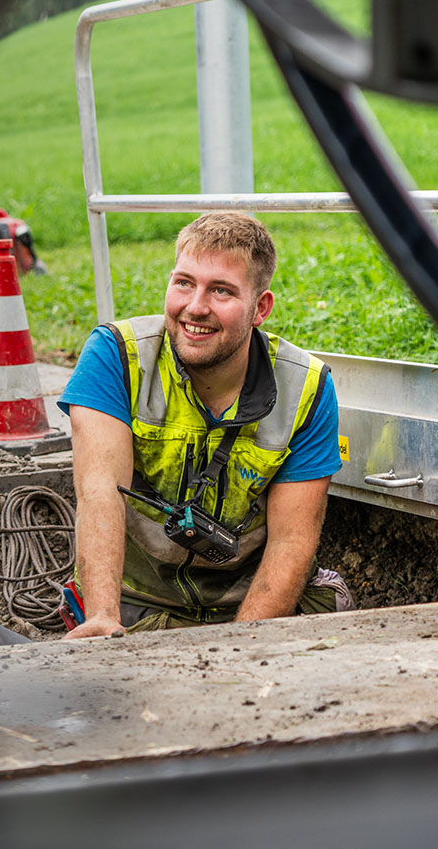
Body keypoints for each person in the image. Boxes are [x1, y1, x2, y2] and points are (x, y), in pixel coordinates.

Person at [58, 212, 352, 637]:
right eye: (183, 282)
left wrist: (240, 646)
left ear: (260, 309)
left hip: (249, 602)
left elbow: (293, 543)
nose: (195, 307)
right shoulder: (116, 356)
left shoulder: (305, 387)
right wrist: (103, 617)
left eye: (221, 291)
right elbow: (100, 492)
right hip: (139, 603)